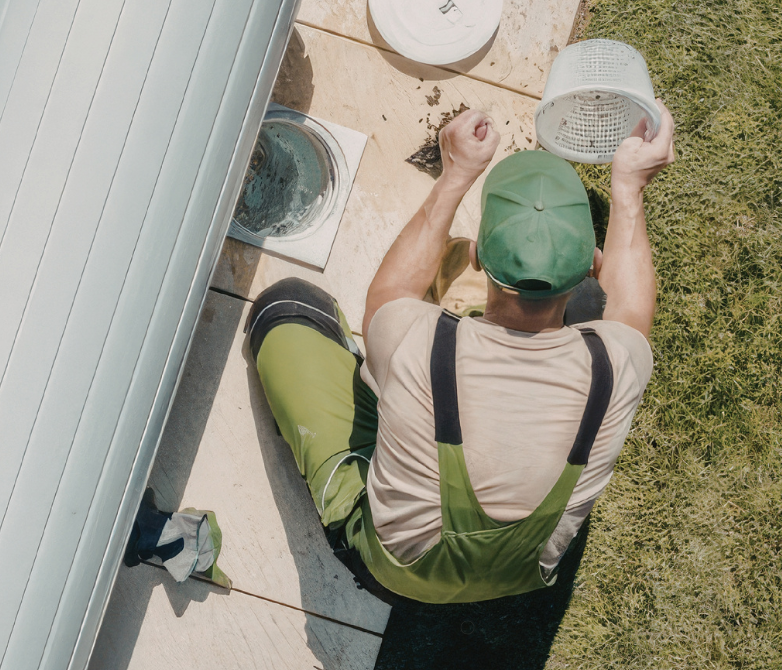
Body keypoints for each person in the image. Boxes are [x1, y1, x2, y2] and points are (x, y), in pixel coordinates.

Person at [245, 102, 676, 604]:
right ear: (593, 263)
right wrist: (629, 188)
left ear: (475, 256)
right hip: (520, 574)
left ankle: (353, 494)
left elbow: (392, 293)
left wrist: (456, 175)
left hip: (395, 572)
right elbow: (630, 304)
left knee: (288, 306)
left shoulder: (419, 341)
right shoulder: (617, 364)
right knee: (586, 308)